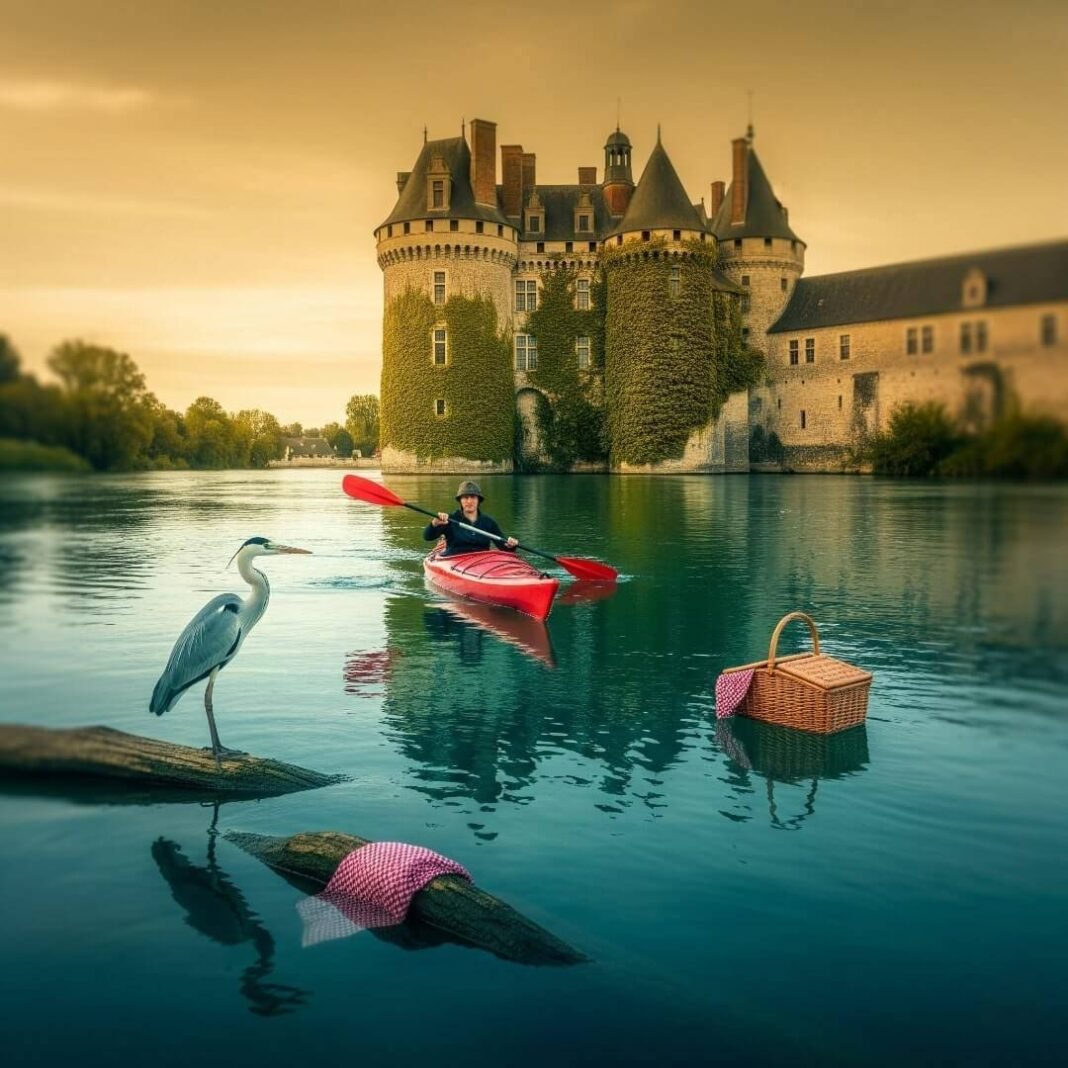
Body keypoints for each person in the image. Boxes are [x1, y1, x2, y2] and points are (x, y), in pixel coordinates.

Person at [424, 481, 519, 556]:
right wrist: (434, 524)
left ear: (478, 500)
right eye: (465, 497)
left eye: (473, 497)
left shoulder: (488, 522)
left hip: (481, 563)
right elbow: (427, 537)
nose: (469, 501)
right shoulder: (450, 519)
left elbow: (504, 548)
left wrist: (511, 545)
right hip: (454, 560)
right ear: (460, 501)